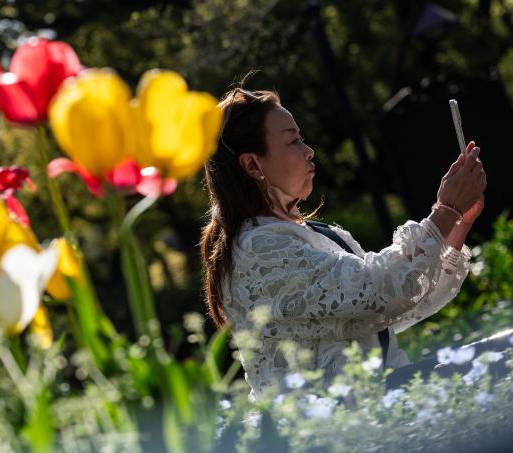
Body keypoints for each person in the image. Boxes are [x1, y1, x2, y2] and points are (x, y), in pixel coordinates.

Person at [200, 88, 488, 401]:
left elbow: (396, 305)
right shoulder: (258, 248)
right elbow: (379, 291)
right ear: (253, 166)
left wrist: (458, 222)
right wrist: (444, 212)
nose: (309, 151)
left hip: (373, 416)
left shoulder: (306, 234)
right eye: (293, 141)